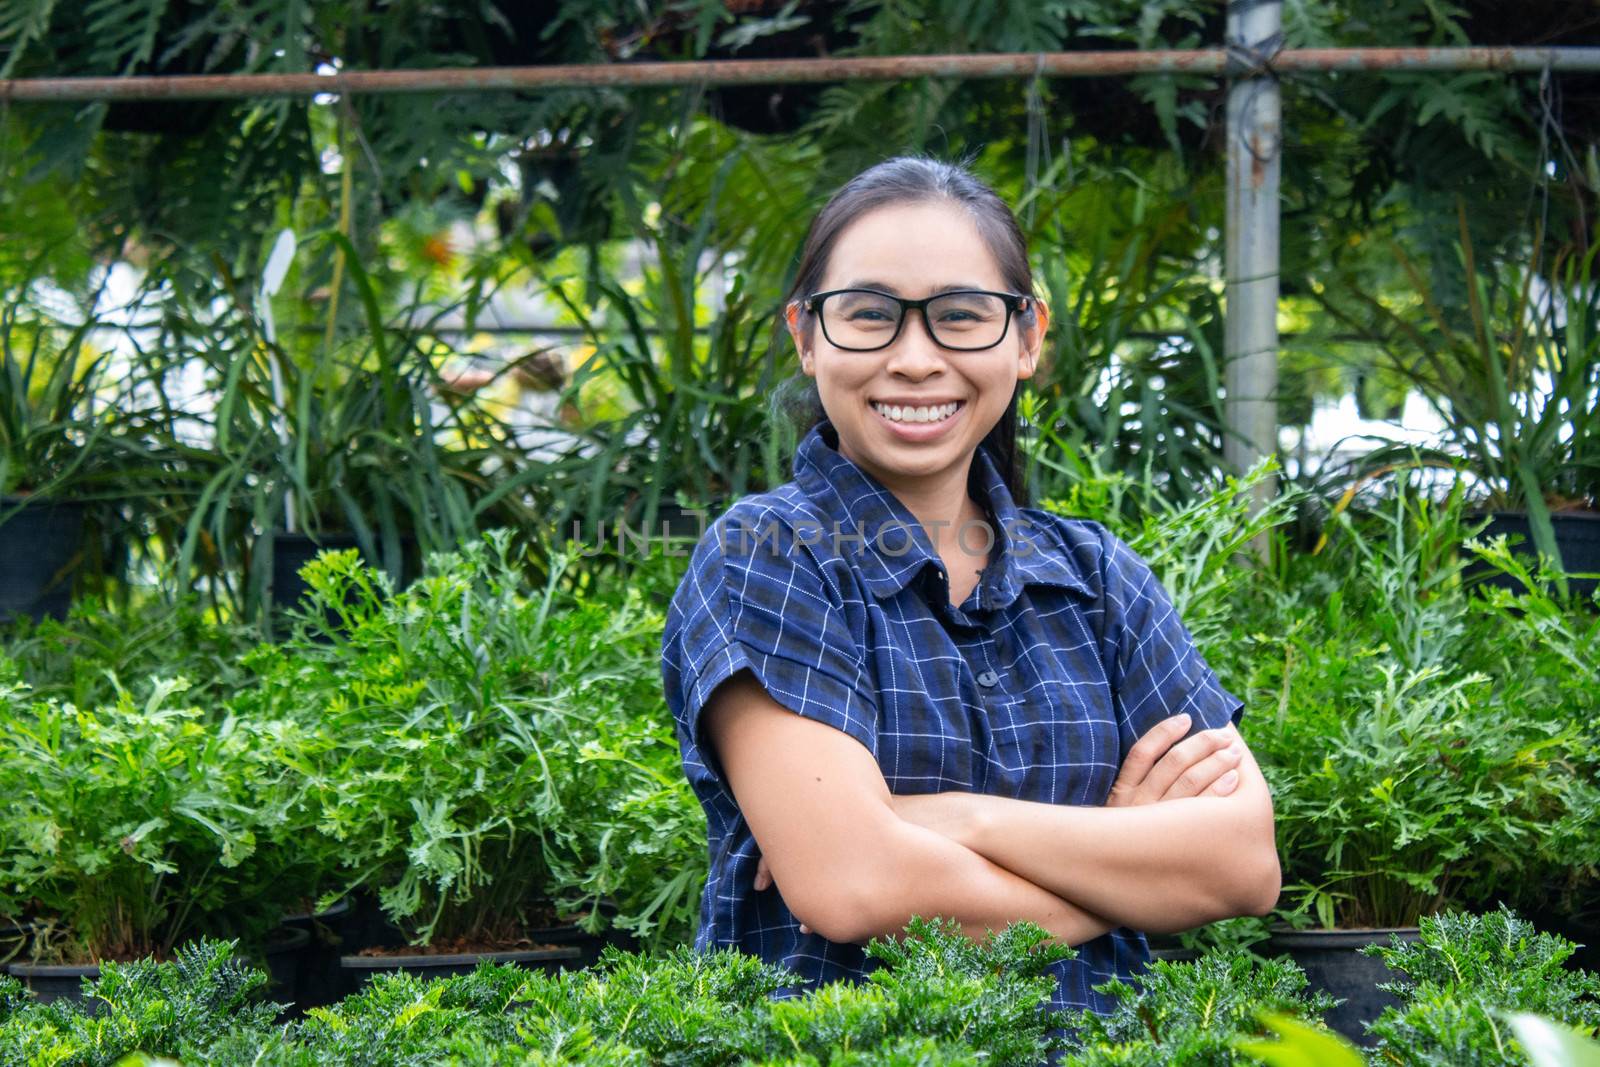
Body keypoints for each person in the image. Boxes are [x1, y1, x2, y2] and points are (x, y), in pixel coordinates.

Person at [659, 156, 1280, 1018]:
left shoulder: (1097, 578)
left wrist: (951, 819)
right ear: (806, 335)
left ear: (1026, 339)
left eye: (960, 317)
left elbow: (1242, 863)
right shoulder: (764, 558)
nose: (915, 360)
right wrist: (1123, 870)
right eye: (870, 315)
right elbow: (854, 886)